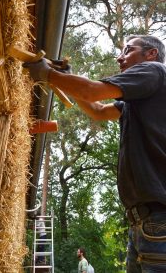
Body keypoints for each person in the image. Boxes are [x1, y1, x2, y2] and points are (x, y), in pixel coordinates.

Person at [23, 35, 166, 272]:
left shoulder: (154, 70)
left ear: (151, 54)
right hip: (144, 224)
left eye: (128, 50)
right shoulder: (140, 99)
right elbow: (98, 110)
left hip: (158, 222)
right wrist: (67, 75)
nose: (120, 58)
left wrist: (47, 74)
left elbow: (91, 91)